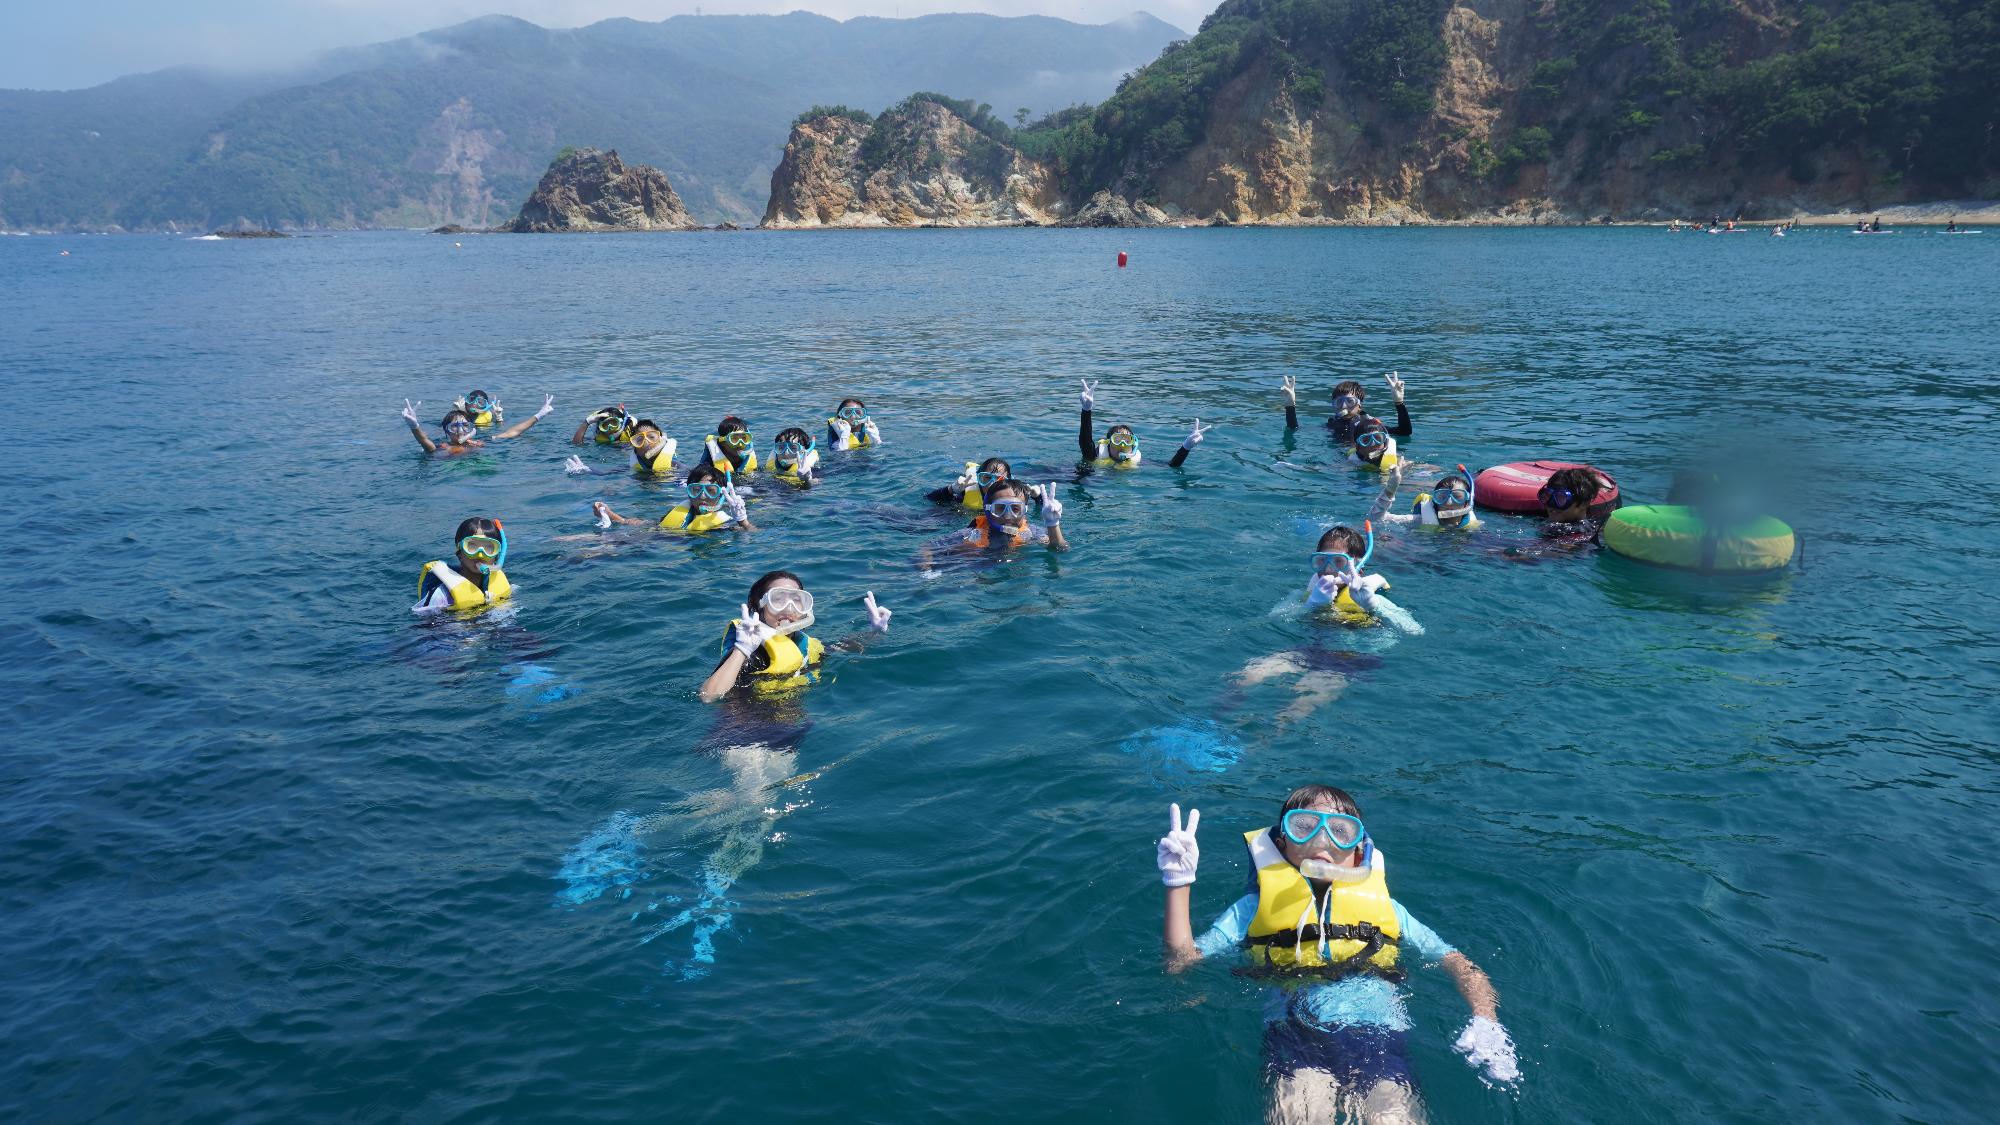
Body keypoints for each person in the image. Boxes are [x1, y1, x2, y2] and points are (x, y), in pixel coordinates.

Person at [1156, 788, 1519, 1123]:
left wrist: (1486, 1019)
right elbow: (1182, 962)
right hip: (1294, 1042)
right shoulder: (1252, 909)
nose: (1321, 840)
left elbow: (1460, 964)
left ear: (1358, 850)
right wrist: (1178, 884)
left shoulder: (1390, 910)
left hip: (1381, 1042)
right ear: (1281, 843)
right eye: (1304, 827)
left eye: (1340, 831)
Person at [698, 569, 894, 702]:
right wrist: (741, 650)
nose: (788, 609)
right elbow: (708, 696)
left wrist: (874, 633)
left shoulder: (807, 646)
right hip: (745, 731)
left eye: (797, 600)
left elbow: (844, 647)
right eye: (778, 599)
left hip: (790, 726)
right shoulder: (753, 650)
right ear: (758, 604)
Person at [1077, 380, 1207, 468]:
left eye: (1127, 440)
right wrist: (1086, 410)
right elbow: (1085, 441)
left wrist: (1186, 447)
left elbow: (1171, 466)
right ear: (1108, 443)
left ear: (1134, 444)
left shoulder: (1137, 462)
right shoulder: (1093, 456)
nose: (1122, 445)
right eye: (1117, 440)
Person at [591, 464, 754, 533]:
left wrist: (743, 521)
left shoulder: (726, 523)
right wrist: (610, 515)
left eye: (711, 491)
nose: (702, 496)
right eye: (695, 490)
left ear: (722, 494)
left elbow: (753, 536)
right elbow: (644, 524)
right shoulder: (681, 513)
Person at [937, 478, 1068, 552]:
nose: (1007, 516)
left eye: (1016, 509)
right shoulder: (972, 533)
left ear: (1024, 511)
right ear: (987, 509)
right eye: (1000, 508)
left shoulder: (1031, 532)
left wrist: (1053, 524)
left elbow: (1060, 548)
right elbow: (929, 548)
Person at [1283, 374, 1411, 448]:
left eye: (1350, 401)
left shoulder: (1368, 424)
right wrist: (1290, 405)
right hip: (1343, 460)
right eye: (1339, 402)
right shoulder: (1332, 425)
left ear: (1359, 405)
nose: (1344, 406)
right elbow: (1294, 429)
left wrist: (1399, 402)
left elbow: (1404, 432)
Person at [414, 516, 512, 612]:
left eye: (489, 548)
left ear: (497, 555)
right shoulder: (442, 596)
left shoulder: (501, 585)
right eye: (472, 546)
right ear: (459, 552)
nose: (480, 555)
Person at [402, 396, 553, 454]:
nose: (461, 430)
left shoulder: (479, 443)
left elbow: (511, 433)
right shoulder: (443, 447)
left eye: (465, 425)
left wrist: (538, 416)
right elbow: (426, 443)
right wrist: (414, 426)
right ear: (446, 432)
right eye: (454, 427)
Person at [1365, 462, 1480, 530]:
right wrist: (1391, 488)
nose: (1449, 502)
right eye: (1441, 497)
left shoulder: (1473, 526)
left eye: (1458, 497)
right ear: (1434, 501)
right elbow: (1375, 519)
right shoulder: (1419, 520)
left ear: (1467, 502)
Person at [563, 419, 677, 475]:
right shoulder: (631, 467)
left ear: (661, 440)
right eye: (639, 440)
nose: (646, 443)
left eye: (652, 437)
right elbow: (604, 473)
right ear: (634, 446)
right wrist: (585, 469)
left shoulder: (676, 467)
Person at [1538, 465, 1619, 540]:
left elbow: (1562, 550)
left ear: (1584, 503)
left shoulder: (1579, 533)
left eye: (1560, 498)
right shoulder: (1552, 522)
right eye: (1548, 496)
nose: (1551, 504)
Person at [927, 456, 1015, 510]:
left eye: (999, 479)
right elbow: (929, 498)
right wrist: (951, 489)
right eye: (987, 477)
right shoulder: (965, 493)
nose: (992, 483)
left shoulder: (1014, 496)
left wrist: (1028, 495)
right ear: (978, 478)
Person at [571, 405, 637, 446]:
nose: (610, 429)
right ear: (599, 428)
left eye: (614, 423)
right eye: (605, 425)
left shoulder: (632, 435)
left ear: (622, 424)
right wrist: (586, 422)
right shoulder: (597, 440)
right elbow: (577, 445)